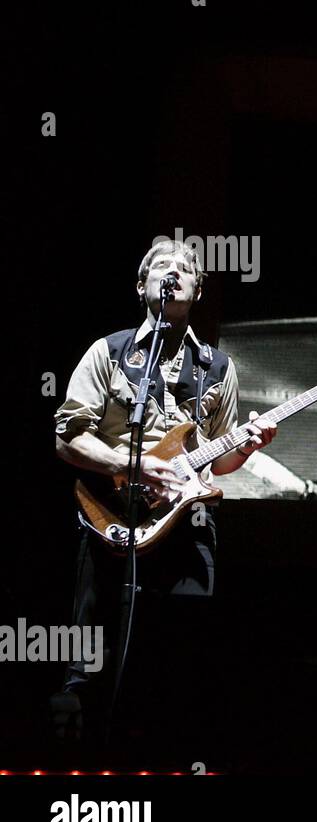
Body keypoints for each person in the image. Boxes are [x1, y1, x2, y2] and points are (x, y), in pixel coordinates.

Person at [51, 238, 277, 745]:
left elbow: (218, 460)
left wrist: (249, 447)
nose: (173, 274)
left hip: (185, 523)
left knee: (183, 655)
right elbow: (66, 438)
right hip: (110, 513)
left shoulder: (218, 369)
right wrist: (131, 465)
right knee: (91, 655)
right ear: (142, 286)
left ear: (198, 291)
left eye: (185, 270)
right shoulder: (106, 352)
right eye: (161, 268)